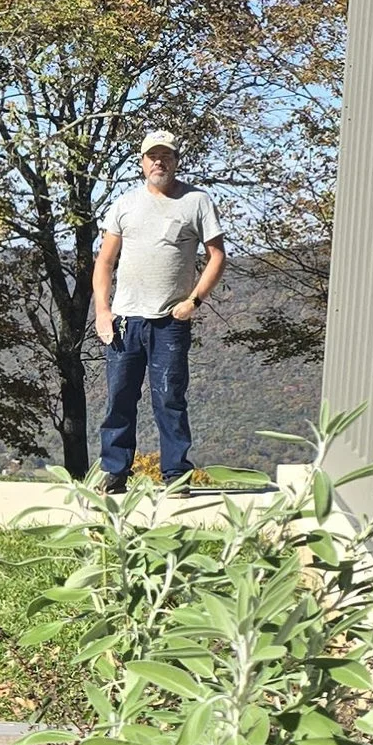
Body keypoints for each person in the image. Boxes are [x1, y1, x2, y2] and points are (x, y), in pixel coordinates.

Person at [93, 129, 227, 493]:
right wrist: (103, 312)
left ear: (175, 160)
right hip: (124, 320)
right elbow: (105, 262)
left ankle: (175, 476)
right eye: (152, 156)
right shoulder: (124, 204)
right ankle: (116, 472)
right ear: (142, 162)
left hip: (170, 321)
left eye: (165, 155)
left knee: (169, 397)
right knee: (119, 397)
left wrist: (194, 301)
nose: (158, 162)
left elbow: (217, 256)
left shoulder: (196, 201)